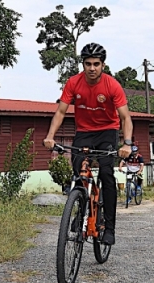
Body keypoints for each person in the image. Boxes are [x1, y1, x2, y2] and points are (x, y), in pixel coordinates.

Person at [43, 43, 133, 245]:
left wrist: (126, 143)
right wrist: (50, 136)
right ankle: (80, 206)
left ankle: (109, 228)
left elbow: (126, 118)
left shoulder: (112, 85)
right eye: (88, 64)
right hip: (84, 132)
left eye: (96, 64)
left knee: (107, 174)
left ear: (103, 65)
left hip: (107, 131)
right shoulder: (74, 83)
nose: (92, 68)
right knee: (79, 171)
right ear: (82, 64)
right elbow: (60, 111)